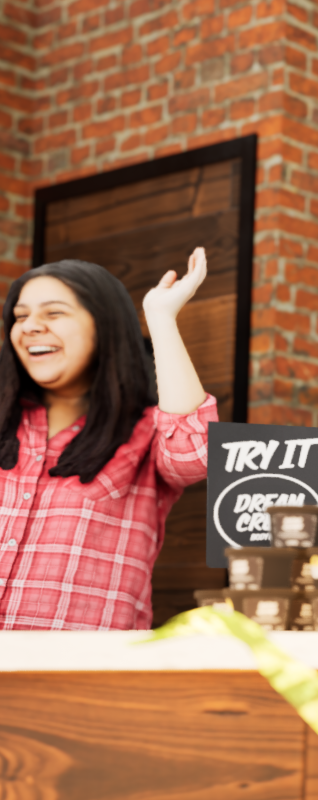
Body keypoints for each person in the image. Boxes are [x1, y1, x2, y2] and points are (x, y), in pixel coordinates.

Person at [0, 249, 216, 630]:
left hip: (77, 679)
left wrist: (162, 319)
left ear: (104, 325)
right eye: (20, 316)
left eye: (53, 313)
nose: (30, 326)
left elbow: (195, 454)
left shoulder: (144, 432)